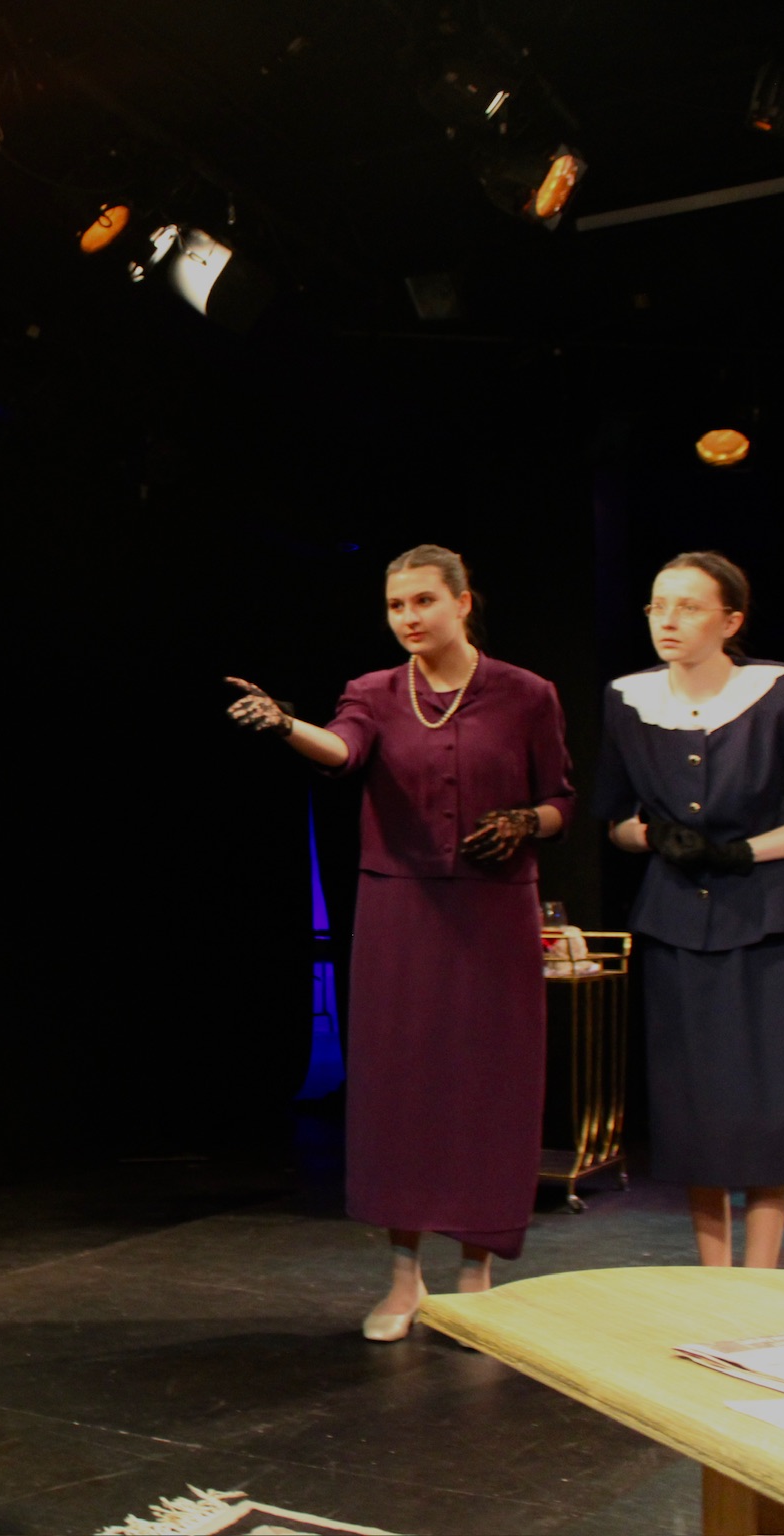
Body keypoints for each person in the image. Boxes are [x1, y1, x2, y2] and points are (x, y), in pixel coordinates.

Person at [227, 544, 572, 1341]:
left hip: (493, 917)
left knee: (490, 1088)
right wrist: (285, 725)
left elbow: (560, 797)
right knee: (401, 1092)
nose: (409, 618)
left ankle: (479, 1275)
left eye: (423, 602)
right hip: (399, 914)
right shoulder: (374, 692)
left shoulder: (527, 694)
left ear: (463, 601)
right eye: (395, 607)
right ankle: (404, 1276)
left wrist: (528, 822)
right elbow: (343, 751)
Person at [595, 551, 784, 1268]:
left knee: (774, 1100)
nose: (667, 620)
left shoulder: (779, 690)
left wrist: (744, 854)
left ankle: (759, 1278)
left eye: (688, 606)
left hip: (771, 917)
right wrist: (651, 836)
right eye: (656, 605)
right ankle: (716, 1278)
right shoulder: (627, 698)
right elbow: (612, 819)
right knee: (695, 1107)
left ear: (730, 620)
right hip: (679, 923)